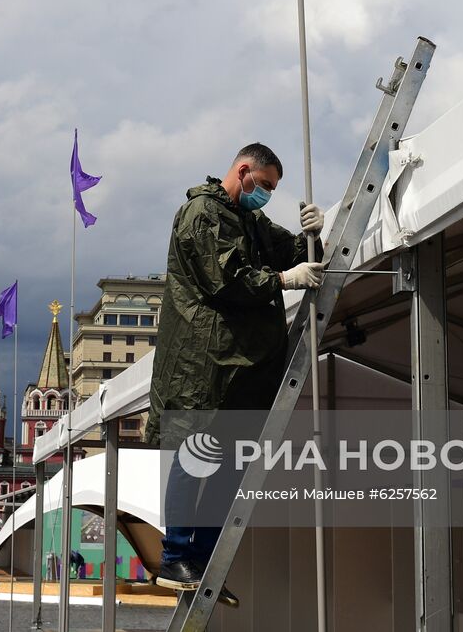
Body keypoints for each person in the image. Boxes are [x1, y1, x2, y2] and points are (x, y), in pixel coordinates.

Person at [144, 143, 324, 605]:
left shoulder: (247, 219)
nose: (265, 195)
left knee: (227, 469)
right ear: (243, 171)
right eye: (263, 185)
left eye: (271, 190)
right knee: (192, 460)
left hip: (236, 369)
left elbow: (290, 252)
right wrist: (286, 280)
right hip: (201, 366)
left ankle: (200, 561)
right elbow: (226, 277)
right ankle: (176, 555)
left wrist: (313, 237)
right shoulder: (203, 214)